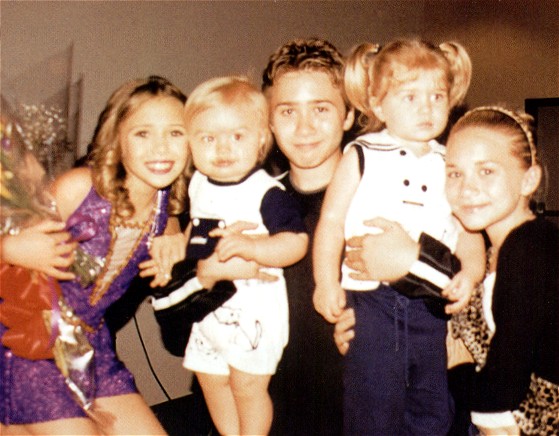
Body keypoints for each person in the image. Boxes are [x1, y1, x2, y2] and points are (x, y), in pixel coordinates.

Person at [312, 38, 485, 435]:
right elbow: (331, 221)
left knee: (433, 407)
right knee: (373, 405)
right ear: (377, 104)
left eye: (436, 96)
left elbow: (467, 230)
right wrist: (325, 281)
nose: (426, 108)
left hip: (430, 307)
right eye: (410, 97)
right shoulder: (362, 154)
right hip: (373, 303)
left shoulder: (451, 161)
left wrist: (471, 273)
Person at [0, 75, 189, 435]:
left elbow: (171, 222)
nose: (161, 148)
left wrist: (176, 238)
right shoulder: (79, 188)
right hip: (26, 343)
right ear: (117, 139)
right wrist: (9, 248)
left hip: (90, 348)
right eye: (143, 133)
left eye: (176, 133)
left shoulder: (165, 209)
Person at [177, 75, 308, 436]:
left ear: (261, 140)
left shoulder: (265, 191)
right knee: (209, 376)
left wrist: (254, 248)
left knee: (246, 386)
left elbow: (296, 242)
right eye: (208, 138)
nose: (223, 148)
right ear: (191, 143)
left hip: (254, 312)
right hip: (209, 311)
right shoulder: (198, 183)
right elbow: (195, 228)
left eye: (237, 136)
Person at [444, 106, 559, 435]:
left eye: (486, 171)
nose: (467, 189)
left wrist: (458, 369)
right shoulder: (494, 249)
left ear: (529, 180)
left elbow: (500, 391)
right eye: (454, 174)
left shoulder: (530, 250)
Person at [262, 37, 355, 435]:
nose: (304, 128)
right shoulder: (251, 204)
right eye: (287, 111)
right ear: (268, 121)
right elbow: (180, 337)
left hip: (356, 413)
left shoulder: (387, 202)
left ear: (349, 115)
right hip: (268, 414)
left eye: (320, 109)